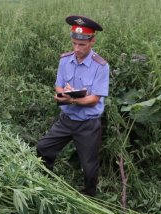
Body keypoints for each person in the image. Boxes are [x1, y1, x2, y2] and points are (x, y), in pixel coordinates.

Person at [36, 15, 110, 196]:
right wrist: (63, 94)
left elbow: (94, 99)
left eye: (82, 45)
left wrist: (72, 99)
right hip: (66, 120)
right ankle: (45, 182)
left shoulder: (101, 66)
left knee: (89, 167)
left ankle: (89, 196)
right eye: (74, 43)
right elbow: (58, 85)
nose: (77, 48)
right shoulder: (65, 60)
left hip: (88, 125)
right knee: (42, 148)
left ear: (92, 41)